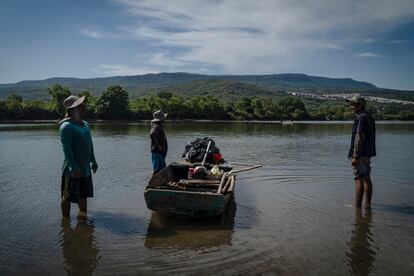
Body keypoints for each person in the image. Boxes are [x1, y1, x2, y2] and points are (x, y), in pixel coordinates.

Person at [59, 95, 98, 218]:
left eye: (81, 104)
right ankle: (65, 221)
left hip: (85, 168)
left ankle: (83, 220)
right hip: (72, 170)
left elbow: (89, 143)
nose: (82, 106)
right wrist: (73, 167)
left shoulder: (85, 124)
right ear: (72, 109)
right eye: (79, 105)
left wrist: (94, 160)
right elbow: (67, 148)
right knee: (67, 196)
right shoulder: (66, 126)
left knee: (83, 195)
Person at [346, 96, 376, 209]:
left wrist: (355, 156)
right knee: (367, 178)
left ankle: (357, 207)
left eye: (353, 104)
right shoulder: (369, 117)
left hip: (360, 154)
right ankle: (367, 206)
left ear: (360, 106)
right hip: (367, 154)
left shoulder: (361, 118)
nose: (351, 107)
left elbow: (360, 137)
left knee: (358, 179)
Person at [150, 110, 168, 175]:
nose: (165, 119)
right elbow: (152, 134)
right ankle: (153, 183)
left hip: (159, 152)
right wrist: (159, 145)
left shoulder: (157, 125)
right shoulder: (156, 126)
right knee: (157, 170)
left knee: (162, 169)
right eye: (163, 118)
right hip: (157, 151)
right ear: (160, 119)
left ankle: (157, 182)